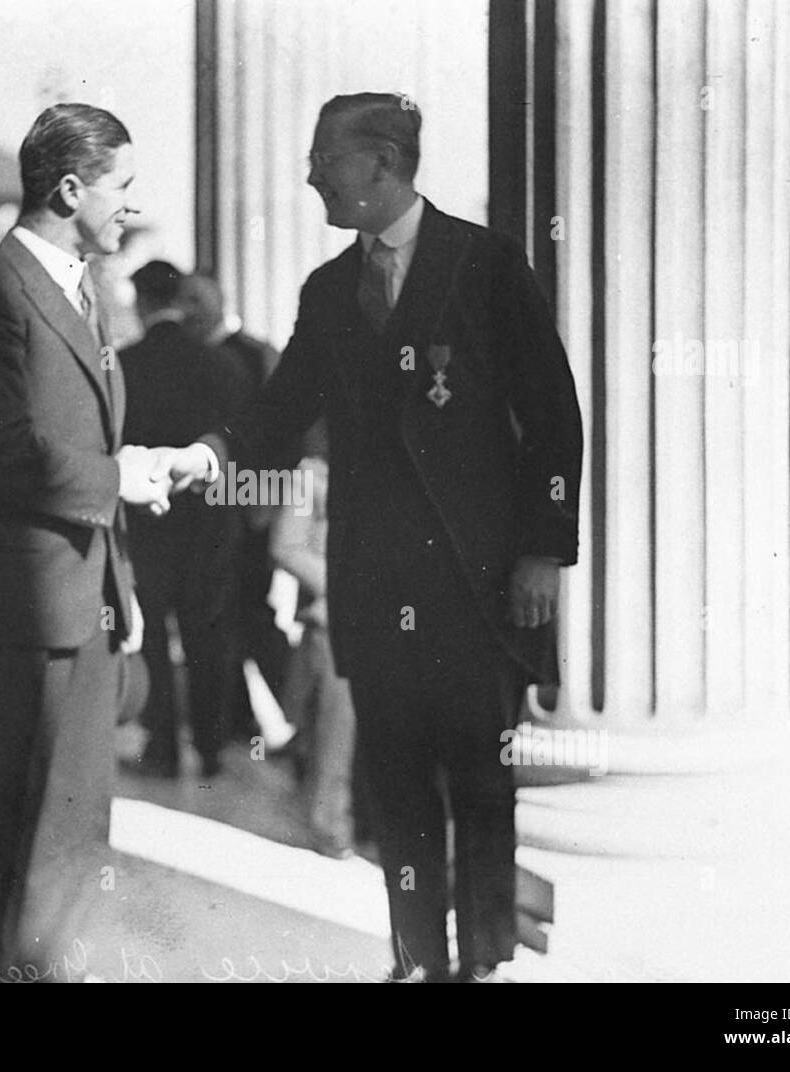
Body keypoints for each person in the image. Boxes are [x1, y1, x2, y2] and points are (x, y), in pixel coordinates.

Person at [159, 92, 583, 982]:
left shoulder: (487, 266)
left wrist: (543, 550)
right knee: (397, 787)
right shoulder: (327, 290)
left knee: (478, 778)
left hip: (477, 582)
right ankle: (418, 956)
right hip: (375, 585)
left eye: (327, 157)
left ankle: (487, 955)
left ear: (383, 163)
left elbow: (553, 416)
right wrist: (213, 451)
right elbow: (281, 411)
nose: (312, 173)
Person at [0, 102, 166, 982]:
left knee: (67, 833)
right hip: (12, 620)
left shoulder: (77, 292)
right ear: (69, 188)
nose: (131, 204)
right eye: (120, 187)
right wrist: (119, 478)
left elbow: (77, 441)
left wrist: (118, 584)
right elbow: (0, 453)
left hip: (78, 603)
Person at [119, 260, 252, 779]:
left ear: (141, 300)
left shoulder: (125, 365)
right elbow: (243, 441)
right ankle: (212, 746)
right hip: (213, 516)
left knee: (152, 632)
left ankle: (163, 748)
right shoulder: (223, 365)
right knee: (208, 632)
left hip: (149, 513)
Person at [178, 273, 291, 744]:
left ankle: (295, 710)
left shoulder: (255, 354)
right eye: (183, 300)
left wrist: (266, 501)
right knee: (227, 614)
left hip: (250, 506)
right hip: (216, 511)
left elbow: (282, 430)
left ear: (221, 300)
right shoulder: (197, 358)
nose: (189, 310)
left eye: (197, 299)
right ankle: (239, 720)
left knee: (251, 612)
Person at [270, 424, 358, 860]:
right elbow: (285, 546)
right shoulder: (311, 475)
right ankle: (329, 828)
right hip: (335, 621)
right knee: (335, 732)